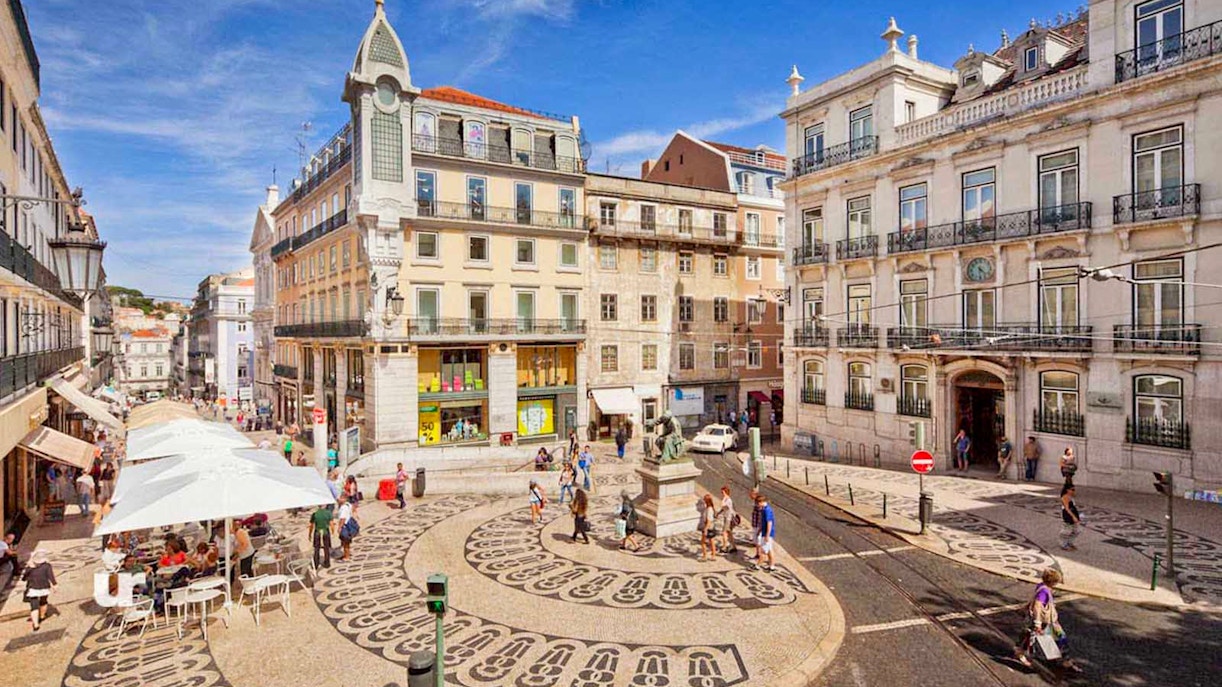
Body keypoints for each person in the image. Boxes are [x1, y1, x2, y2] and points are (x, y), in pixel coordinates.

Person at [1014, 568, 1080, 671]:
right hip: (1043, 621)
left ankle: (1062, 659)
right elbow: (1037, 606)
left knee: (1048, 637)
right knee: (1054, 637)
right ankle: (1020, 653)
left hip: (1048, 621)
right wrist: (1038, 623)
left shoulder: (1042, 586)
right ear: (1053, 582)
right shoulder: (1044, 591)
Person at [21, 549, 56, 632]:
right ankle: (42, 616)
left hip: (33, 588)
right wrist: (54, 585)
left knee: (34, 606)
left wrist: (28, 569)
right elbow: (50, 576)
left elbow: (24, 578)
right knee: (43, 601)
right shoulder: (47, 566)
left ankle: (36, 624)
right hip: (44, 587)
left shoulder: (30, 567)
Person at [754, 494, 776, 572]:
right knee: (769, 550)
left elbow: (769, 523)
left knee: (763, 551)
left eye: (757, 503)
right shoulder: (764, 509)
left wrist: (767, 535)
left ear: (761, 502)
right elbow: (763, 522)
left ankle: (757, 565)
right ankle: (772, 565)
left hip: (767, 533)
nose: (757, 505)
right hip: (765, 532)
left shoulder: (767, 510)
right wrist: (760, 530)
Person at [309, 502, 333, 569]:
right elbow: (331, 524)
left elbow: (311, 525)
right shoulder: (328, 513)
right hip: (325, 531)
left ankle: (316, 563)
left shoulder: (315, 514)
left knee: (316, 548)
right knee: (326, 548)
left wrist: (310, 534)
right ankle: (327, 563)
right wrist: (333, 532)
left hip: (317, 532)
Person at [1060, 483, 1082, 551]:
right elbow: (1067, 508)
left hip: (1074, 512)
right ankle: (1064, 544)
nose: (1073, 491)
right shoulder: (1065, 497)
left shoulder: (1071, 496)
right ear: (1067, 490)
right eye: (1072, 489)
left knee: (1077, 530)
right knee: (1067, 530)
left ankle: (1070, 542)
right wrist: (1073, 516)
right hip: (1068, 514)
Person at [716, 485, 738, 554]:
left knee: (724, 532)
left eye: (722, 492)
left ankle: (725, 547)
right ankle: (734, 547)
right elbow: (723, 509)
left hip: (729, 518)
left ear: (726, 492)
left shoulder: (728, 500)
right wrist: (718, 513)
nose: (722, 494)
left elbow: (723, 505)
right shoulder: (726, 499)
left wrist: (724, 498)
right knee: (729, 533)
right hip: (727, 517)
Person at [698, 494, 718, 561]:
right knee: (711, 541)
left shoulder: (709, 509)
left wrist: (705, 529)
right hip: (710, 527)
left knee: (703, 542)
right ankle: (713, 555)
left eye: (704, 499)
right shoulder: (710, 508)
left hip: (708, 527)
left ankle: (705, 556)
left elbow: (709, 520)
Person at [336, 494, 355, 561]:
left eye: (341, 498)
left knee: (345, 542)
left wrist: (339, 527)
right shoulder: (348, 505)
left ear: (344, 499)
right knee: (346, 541)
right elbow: (352, 509)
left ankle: (347, 557)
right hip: (348, 526)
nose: (338, 499)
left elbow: (343, 519)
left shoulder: (344, 508)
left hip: (345, 527)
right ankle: (346, 554)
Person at [748, 487, 762, 562]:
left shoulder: (758, 504)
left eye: (751, 493)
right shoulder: (756, 502)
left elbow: (760, 516)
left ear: (755, 494)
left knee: (758, 541)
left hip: (757, 525)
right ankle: (758, 554)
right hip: (755, 524)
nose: (750, 495)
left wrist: (759, 527)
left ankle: (759, 555)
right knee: (756, 541)